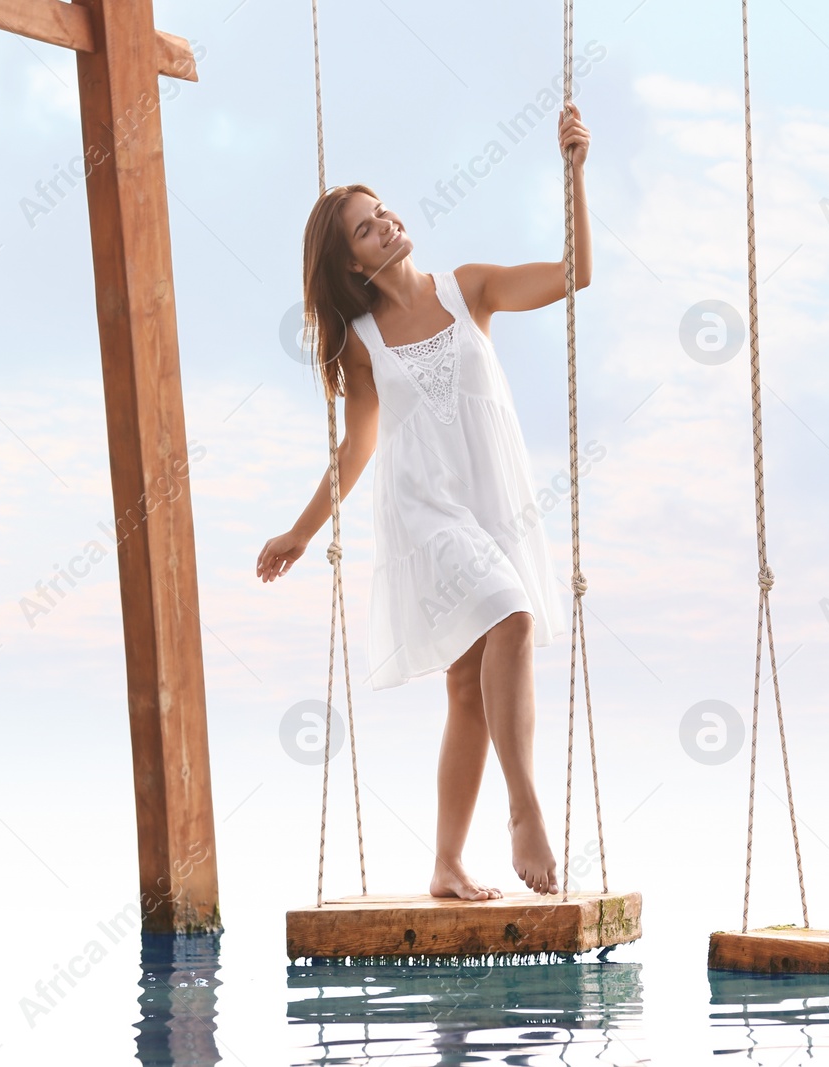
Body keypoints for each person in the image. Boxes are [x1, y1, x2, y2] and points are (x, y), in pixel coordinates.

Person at [256, 103, 593, 900]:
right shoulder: (362, 343)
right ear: (351, 268)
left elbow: (574, 272)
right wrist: (303, 530)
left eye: (383, 213)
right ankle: (525, 809)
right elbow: (357, 448)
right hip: (424, 510)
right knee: (509, 611)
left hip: (492, 501)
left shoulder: (468, 288)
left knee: (469, 682)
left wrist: (575, 171)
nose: (387, 225)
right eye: (368, 229)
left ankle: (445, 863)